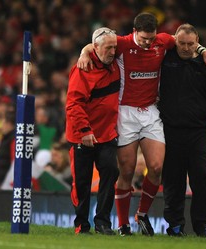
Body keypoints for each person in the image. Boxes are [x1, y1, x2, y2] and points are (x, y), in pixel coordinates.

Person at [77, 13, 206, 236]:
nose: (148, 43)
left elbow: (185, 40)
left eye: (151, 39)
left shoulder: (162, 40)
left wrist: (203, 50)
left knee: (157, 167)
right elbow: (97, 43)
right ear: (134, 32)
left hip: (151, 111)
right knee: (127, 170)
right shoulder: (122, 44)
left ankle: (141, 214)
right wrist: (85, 52)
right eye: (143, 39)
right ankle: (123, 224)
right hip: (125, 112)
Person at [158, 24, 206, 237]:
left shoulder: (205, 63)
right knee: (173, 181)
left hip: (198, 132)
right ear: (175, 41)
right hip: (170, 131)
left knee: (202, 177)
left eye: (191, 44)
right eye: (182, 43)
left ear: (197, 42)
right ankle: (174, 225)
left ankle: (203, 225)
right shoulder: (165, 57)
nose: (186, 48)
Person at [65, 27, 120, 235]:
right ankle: (81, 224)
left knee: (111, 171)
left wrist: (85, 49)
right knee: (82, 182)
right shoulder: (83, 69)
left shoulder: (115, 61)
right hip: (82, 134)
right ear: (96, 48)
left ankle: (103, 222)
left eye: (115, 47)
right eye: (108, 48)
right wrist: (85, 130)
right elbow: (73, 104)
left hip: (106, 134)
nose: (113, 52)